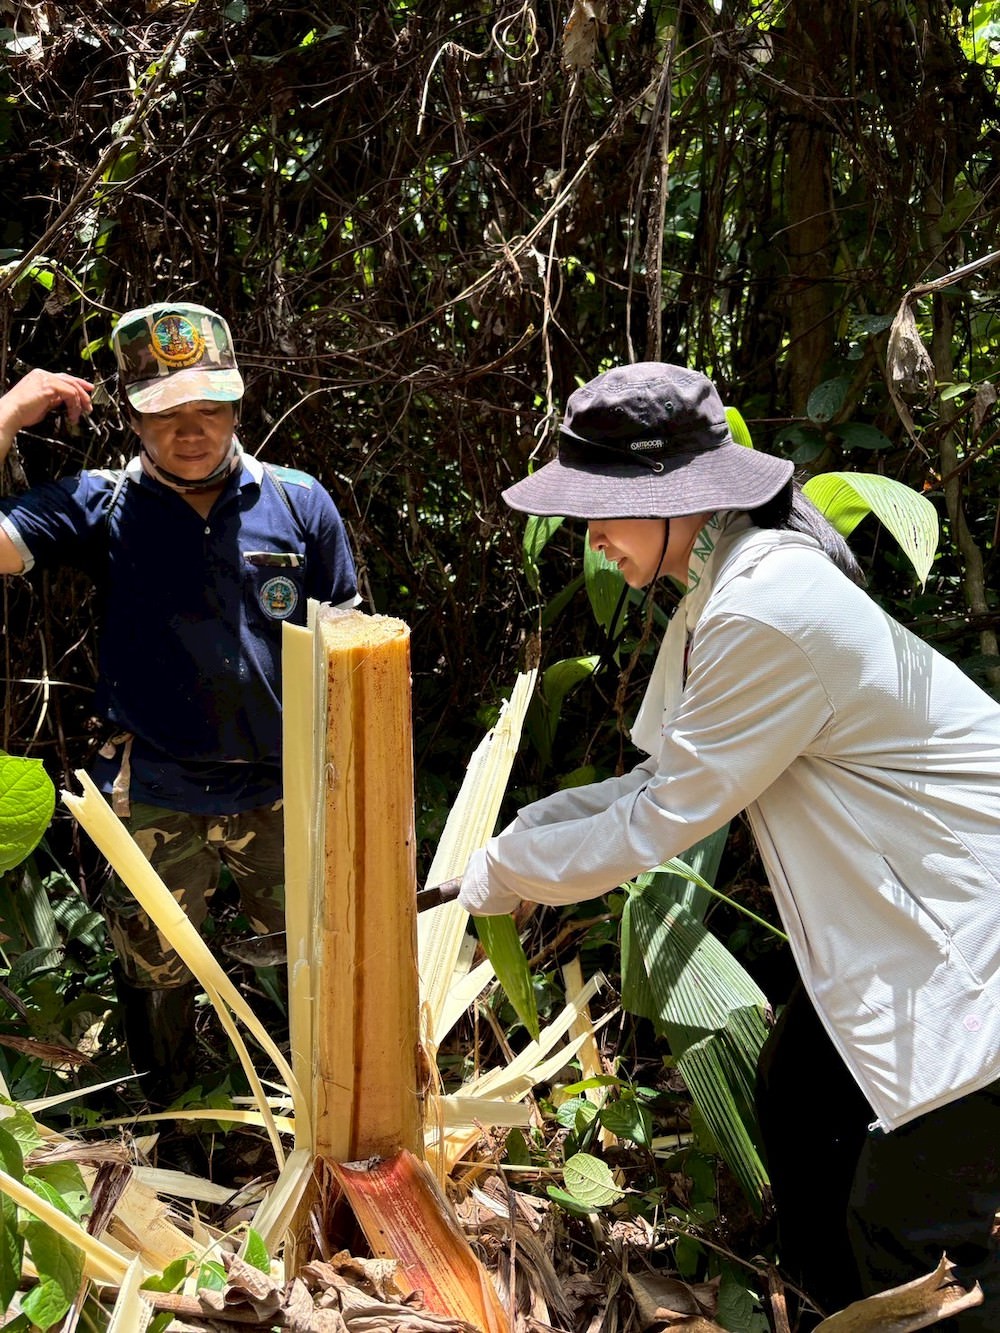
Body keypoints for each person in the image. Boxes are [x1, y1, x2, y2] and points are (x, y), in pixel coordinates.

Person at [457, 362, 1000, 1325]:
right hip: (917, 926)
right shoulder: (728, 572)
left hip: (971, 941)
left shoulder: (762, 605)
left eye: (604, 505)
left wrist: (506, 872)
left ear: (676, 498)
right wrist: (522, 835)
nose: (591, 534)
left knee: (913, 1232)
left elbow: (662, 821)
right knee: (800, 1109)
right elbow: (658, 778)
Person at [0, 302, 359, 1105]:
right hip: (155, 789)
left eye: (209, 408)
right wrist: (9, 413)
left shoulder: (300, 504)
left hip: (280, 792)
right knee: (155, 962)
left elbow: (355, 651)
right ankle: (174, 1119)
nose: (190, 431)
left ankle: (311, 1108)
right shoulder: (101, 506)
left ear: (239, 404)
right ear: (131, 413)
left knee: (307, 954)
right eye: (166, 413)